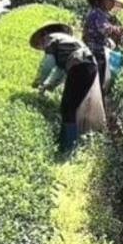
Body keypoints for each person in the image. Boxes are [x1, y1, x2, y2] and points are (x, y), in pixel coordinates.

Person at [30, 23, 106, 152]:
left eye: (39, 44)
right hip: (89, 65)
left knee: (68, 107)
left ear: (43, 35)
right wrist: (47, 86)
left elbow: (48, 63)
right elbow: (59, 71)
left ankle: (68, 147)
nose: (42, 47)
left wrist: (37, 82)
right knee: (72, 106)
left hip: (79, 66)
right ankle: (71, 143)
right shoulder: (65, 41)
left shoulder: (51, 38)